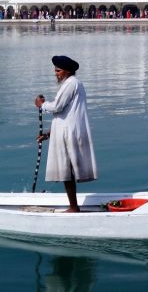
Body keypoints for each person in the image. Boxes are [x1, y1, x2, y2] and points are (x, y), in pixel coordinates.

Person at [34, 55, 98, 212]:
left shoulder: (71, 84)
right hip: (69, 131)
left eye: (58, 70)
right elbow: (66, 116)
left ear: (67, 71)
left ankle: (73, 207)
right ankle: (73, 206)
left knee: (66, 171)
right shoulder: (73, 84)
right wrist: (49, 134)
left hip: (69, 134)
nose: (56, 73)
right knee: (67, 170)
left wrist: (42, 105)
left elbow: (57, 107)